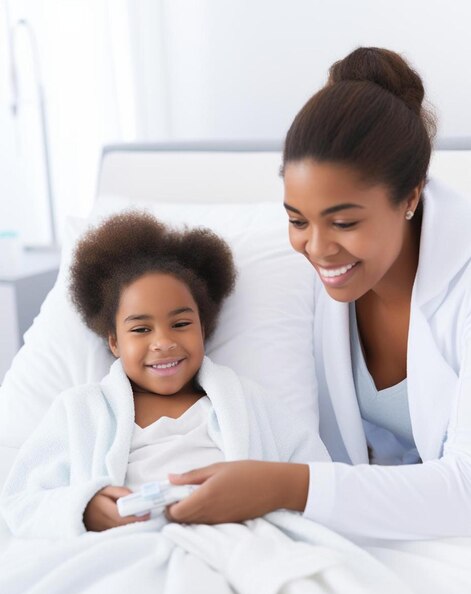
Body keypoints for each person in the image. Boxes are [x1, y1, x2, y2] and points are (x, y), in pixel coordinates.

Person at [166, 47, 471, 540]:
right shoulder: (299, 279)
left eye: (344, 223)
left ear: (410, 196)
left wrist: (288, 486)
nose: (318, 249)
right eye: (296, 220)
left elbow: (466, 490)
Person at [0, 211, 319, 537]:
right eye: (140, 329)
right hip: (124, 549)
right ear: (114, 342)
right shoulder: (81, 411)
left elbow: (316, 476)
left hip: (234, 542)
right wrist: (84, 508)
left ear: (203, 329)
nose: (164, 342)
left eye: (181, 324)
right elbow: (20, 502)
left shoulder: (246, 403)